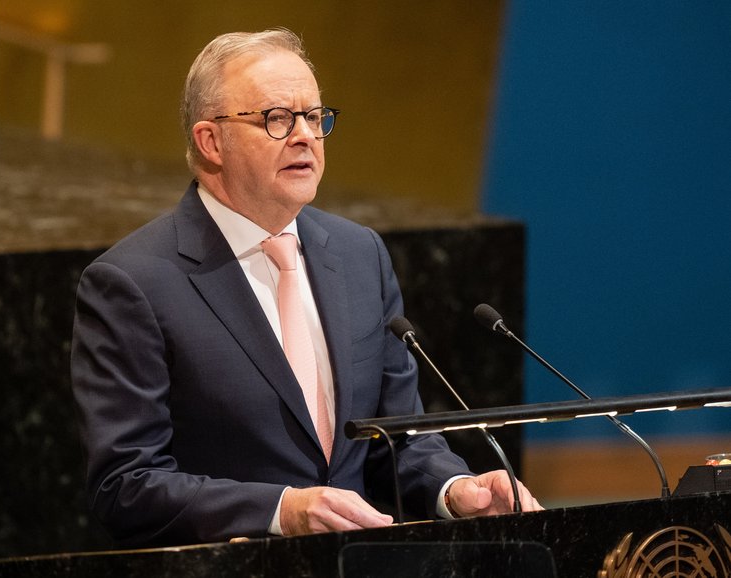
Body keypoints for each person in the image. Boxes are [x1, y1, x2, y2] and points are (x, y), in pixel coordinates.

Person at [70, 27, 541, 548]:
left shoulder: (359, 254)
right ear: (211, 142)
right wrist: (282, 510)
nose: (305, 137)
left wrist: (455, 489)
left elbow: (395, 438)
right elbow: (126, 485)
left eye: (314, 117)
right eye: (277, 118)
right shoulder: (133, 282)